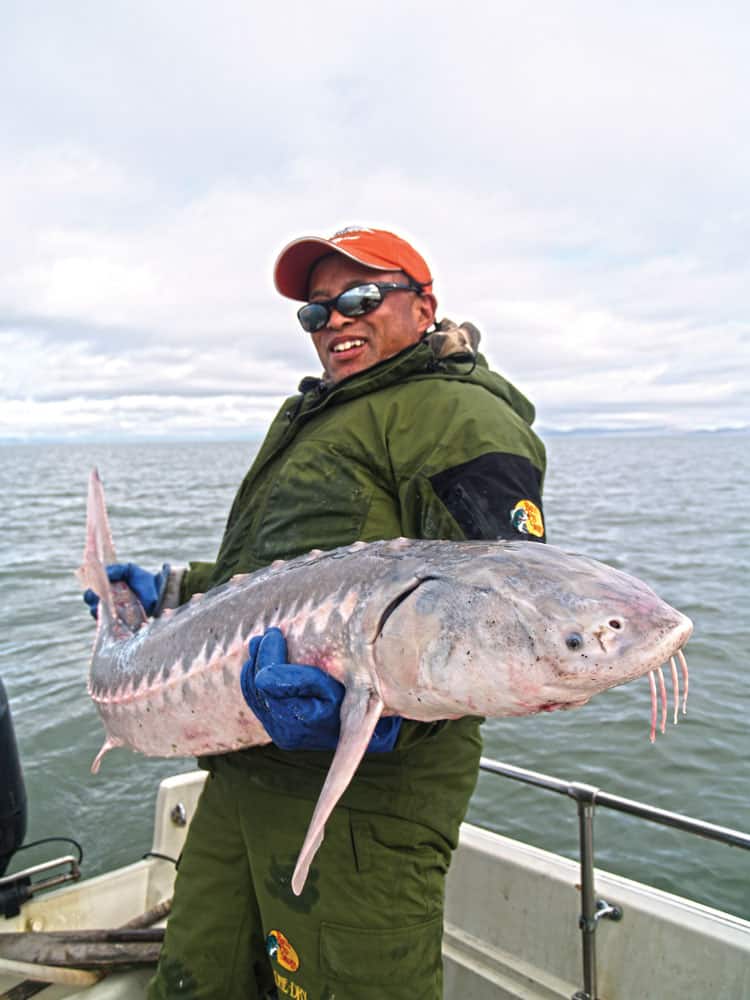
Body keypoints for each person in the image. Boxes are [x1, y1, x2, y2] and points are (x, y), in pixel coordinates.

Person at [93, 227, 547, 999]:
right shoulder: (315, 416)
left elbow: (505, 621)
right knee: (194, 978)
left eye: (361, 298)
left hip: (364, 802)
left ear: (423, 305)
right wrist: (170, 590)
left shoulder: (457, 416)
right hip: (246, 773)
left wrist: (384, 717)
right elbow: (277, 580)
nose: (334, 321)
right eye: (316, 312)